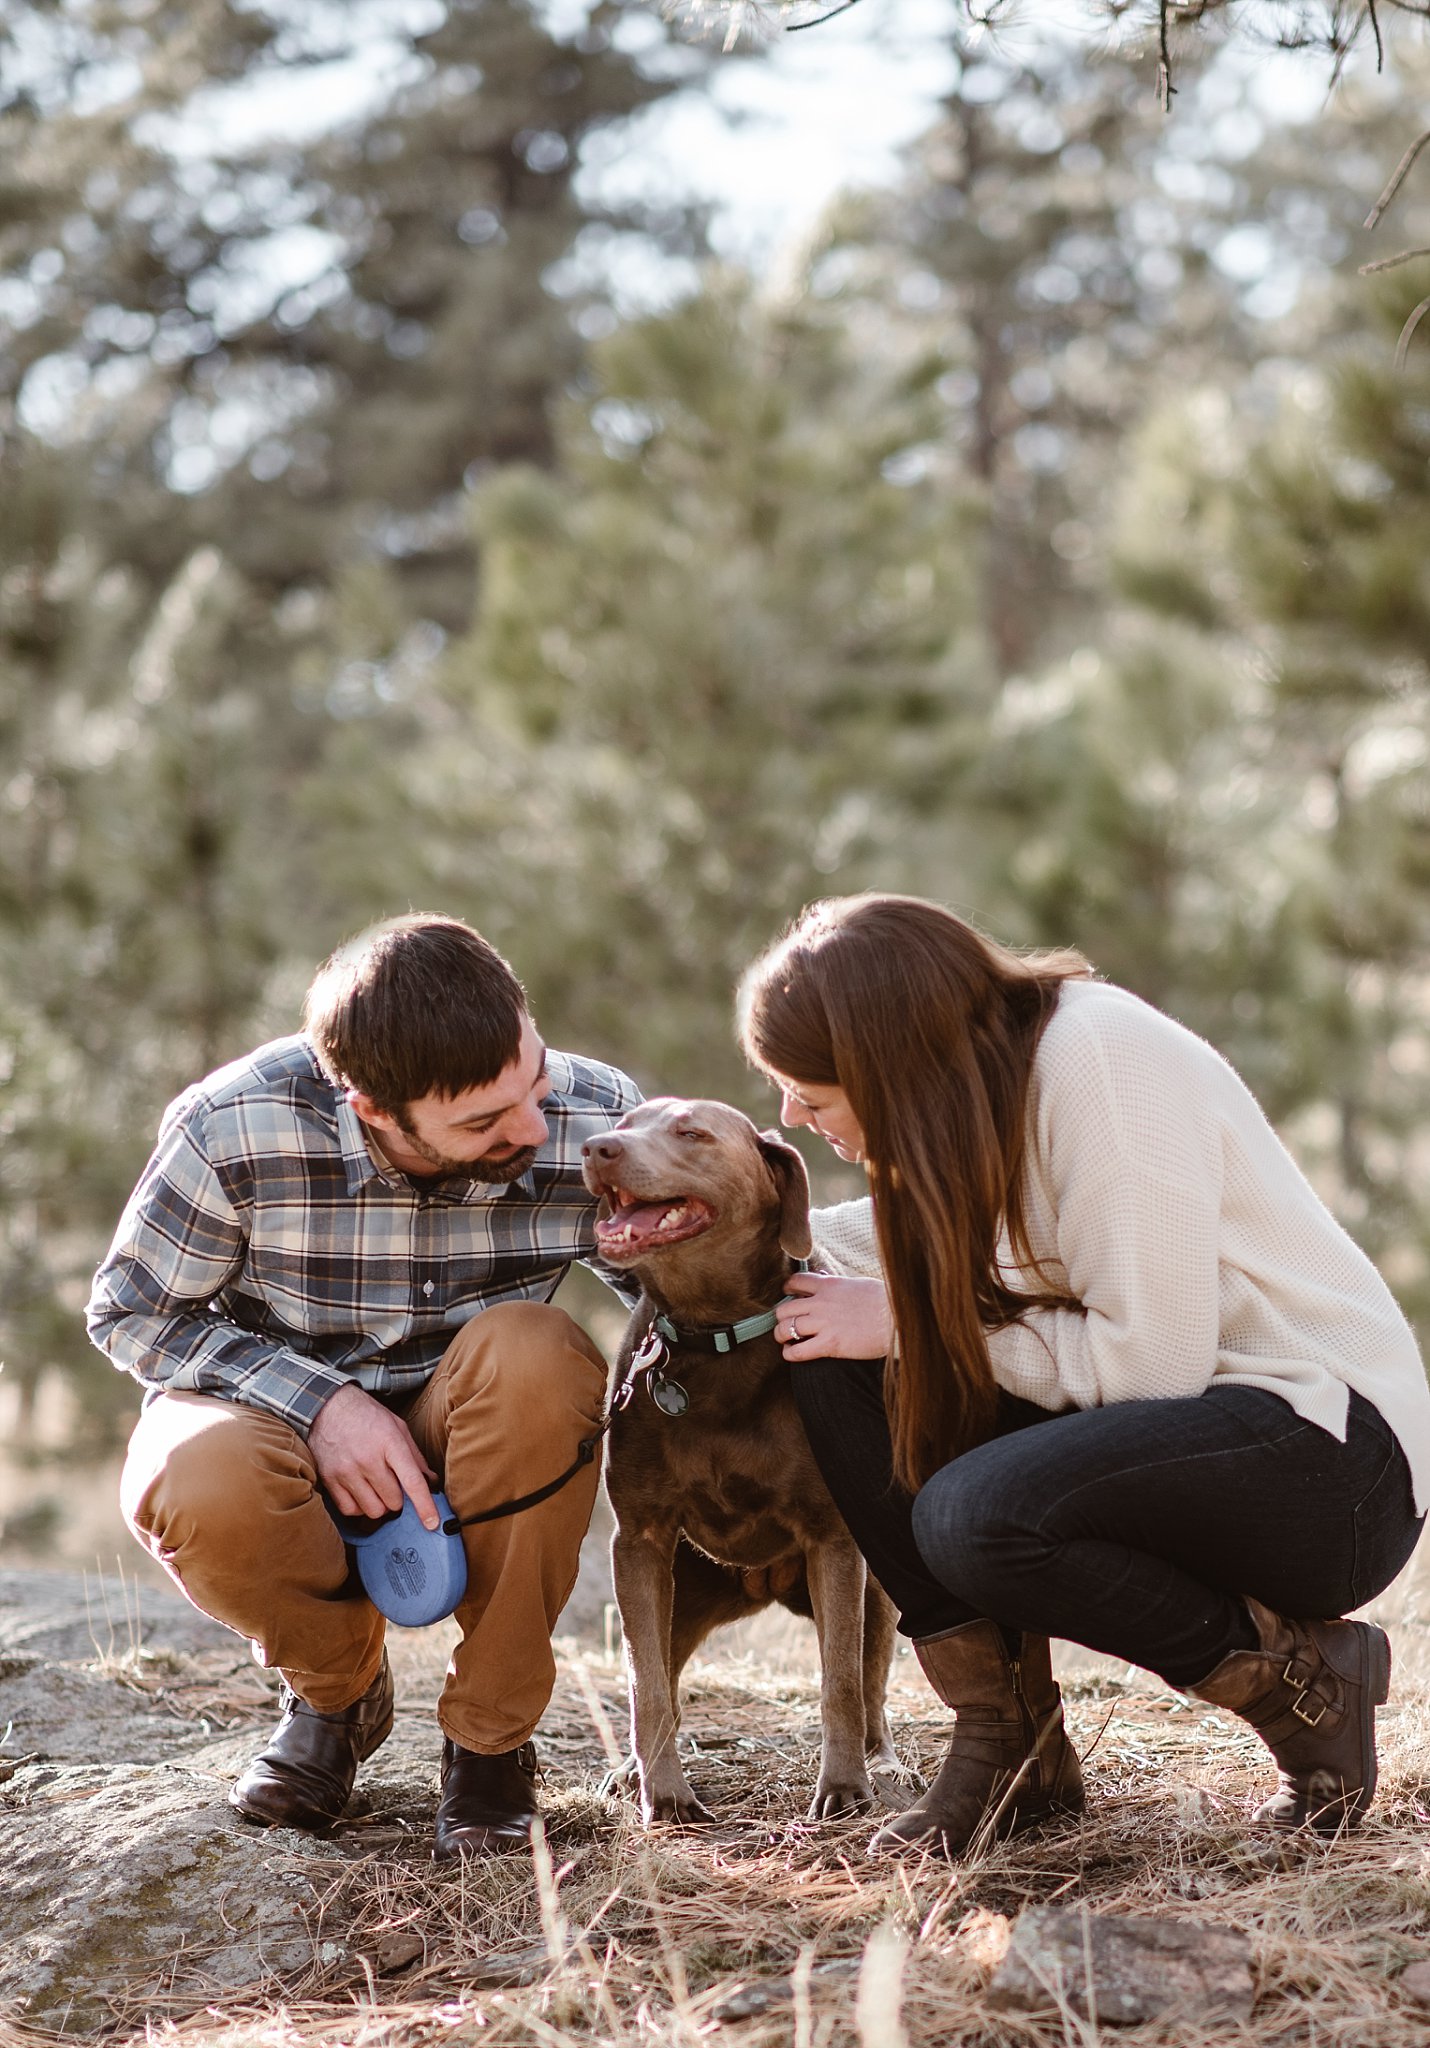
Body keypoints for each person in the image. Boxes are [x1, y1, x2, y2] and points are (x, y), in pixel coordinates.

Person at [739, 892, 1430, 1855]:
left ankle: (1302, 1682)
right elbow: (857, 1254)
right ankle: (1008, 1742)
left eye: (810, 1093)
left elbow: (1147, 1367)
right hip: (1194, 1430)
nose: (792, 1116)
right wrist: (704, 1211)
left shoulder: (1098, 1066)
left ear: (888, 1066)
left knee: (973, 1516)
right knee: (820, 1330)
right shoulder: (965, 1108)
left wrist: (913, 1330)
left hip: (1327, 1456)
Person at [87, 914, 641, 1857]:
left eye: (536, 1082)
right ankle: (336, 1697)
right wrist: (323, 1404)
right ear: (374, 1108)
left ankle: (491, 1741)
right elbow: (132, 1314)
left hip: (473, 1420)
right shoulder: (233, 1126)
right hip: (275, 1431)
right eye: (484, 1122)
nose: (536, 1129)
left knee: (543, 1355)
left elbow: (684, 1291)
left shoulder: (594, 1114)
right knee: (194, 1477)